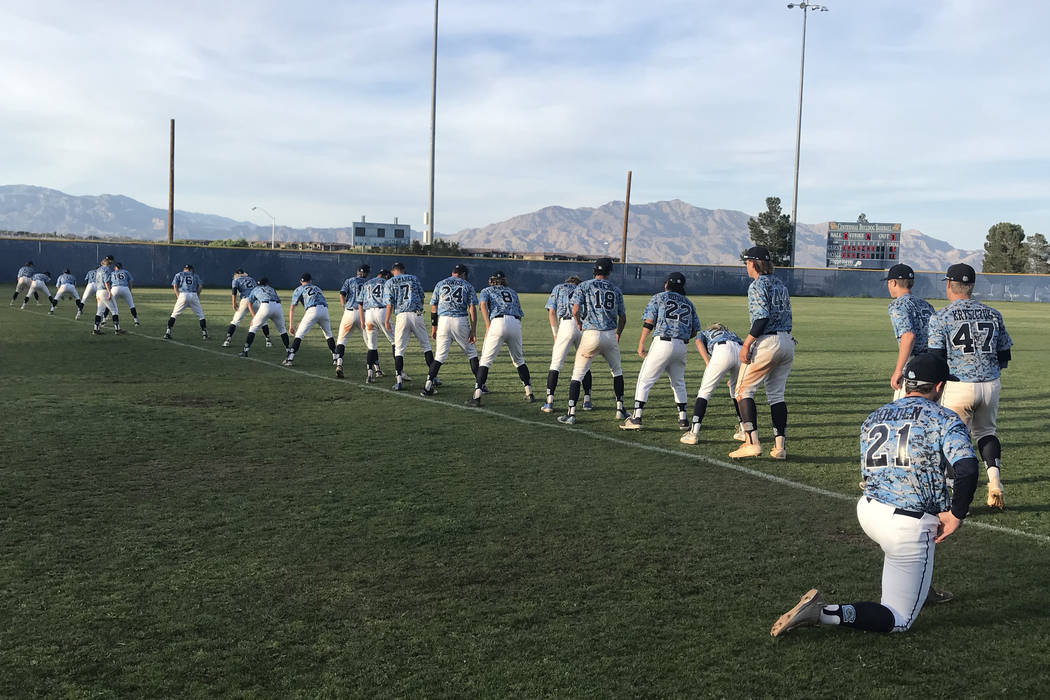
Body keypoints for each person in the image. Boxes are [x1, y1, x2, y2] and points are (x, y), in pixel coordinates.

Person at [770, 353, 978, 636]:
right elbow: (966, 469)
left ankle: (922, 587)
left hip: (868, 511)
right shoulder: (943, 417)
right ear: (939, 387)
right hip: (907, 526)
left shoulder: (876, 415)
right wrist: (957, 514)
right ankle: (823, 612)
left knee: (906, 550)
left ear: (905, 383)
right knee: (898, 620)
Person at [927, 263, 1013, 509]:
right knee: (986, 433)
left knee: (955, 440)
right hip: (991, 383)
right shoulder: (993, 313)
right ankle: (994, 481)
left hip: (958, 385)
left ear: (948, 285)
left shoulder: (941, 315)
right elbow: (1005, 355)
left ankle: (955, 498)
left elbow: (935, 358)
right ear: (972, 286)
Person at [730, 246, 794, 460]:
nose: (746, 266)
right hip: (787, 341)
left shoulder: (758, 285)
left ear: (755, 263)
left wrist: (747, 344)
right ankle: (780, 447)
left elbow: (761, 318)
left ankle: (751, 442)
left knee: (742, 391)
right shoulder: (780, 284)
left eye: (747, 262)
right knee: (776, 395)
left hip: (768, 342)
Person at [620, 272, 698, 430]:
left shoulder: (659, 297)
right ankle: (683, 420)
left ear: (667, 283)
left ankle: (637, 417)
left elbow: (649, 322)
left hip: (662, 343)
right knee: (678, 382)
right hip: (681, 346)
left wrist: (641, 342)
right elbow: (694, 331)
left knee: (645, 380)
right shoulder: (688, 303)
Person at [557, 258, 627, 425]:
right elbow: (623, 317)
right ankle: (620, 409)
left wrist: (580, 323)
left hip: (591, 333)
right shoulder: (615, 289)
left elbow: (575, 310)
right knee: (617, 371)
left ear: (594, 270)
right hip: (610, 334)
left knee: (577, 374)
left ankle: (571, 413)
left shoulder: (584, 286)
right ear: (609, 271)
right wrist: (617, 334)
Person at [467, 270, 535, 406]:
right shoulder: (512, 292)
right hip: (515, 323)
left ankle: (477, 396)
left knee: (485, 361)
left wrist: (487, 325)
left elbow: (483, 305)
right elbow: (519, 313)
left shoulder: (486, 290)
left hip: (497, 322)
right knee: (519, 360)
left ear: (491, 280)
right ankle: (529, 392)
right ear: (504, 280)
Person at [421, 264, 478, 397]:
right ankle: (480, 385)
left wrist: (434, 326)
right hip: (460, 320)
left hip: (443, 321)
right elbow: (472, 309)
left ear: (453, 273)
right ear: (463, 274)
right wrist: (473, 329)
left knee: (439, 356)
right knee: (471, 353)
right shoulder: (467, 285)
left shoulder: (441, 283)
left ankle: (427, 386)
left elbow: (433, 306)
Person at [541, 275, 593, 413]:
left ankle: (549, 401)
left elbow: (551, 311)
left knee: (556, 364)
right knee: (584, 364)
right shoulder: (583, 289)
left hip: (566, 324)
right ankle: (587, 400)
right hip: (581, 325)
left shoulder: (558, 288)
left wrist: (555, 333)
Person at [884, 263, 935, 399]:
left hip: (914, 367)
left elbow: (908, 336)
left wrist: (898, 370)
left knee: (904, 412)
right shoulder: (926, 304)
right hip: (932, 365)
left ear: (893, 282)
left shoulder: (898, 304)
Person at [383, 262, 434, 390]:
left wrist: (386, 320)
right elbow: (422, 297)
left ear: (393, 271)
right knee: (426, 346)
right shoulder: (413, 278)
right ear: (403, 270)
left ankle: (399, 381)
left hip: (402, 316)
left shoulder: (389, 282)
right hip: (417, 314)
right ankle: (434, 378)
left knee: (399, 349)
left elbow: (389, 304)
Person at [284, 273, 338, 371]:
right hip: (324, 310)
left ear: (301, 281)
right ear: (311, 281)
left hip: (312, 310)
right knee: (328, 334)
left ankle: (290, 358)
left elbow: (292, 308)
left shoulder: (299, 289)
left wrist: (291, 325)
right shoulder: (317, 288)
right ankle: (335, 358)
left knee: (299, 334)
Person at [334, 264, 371, 376]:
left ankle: (339, 364)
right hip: (363, 313)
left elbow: (342, 294)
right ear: (366, 273)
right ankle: (376, 369)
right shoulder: (368, 283)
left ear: (357, 271)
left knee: (341, 341)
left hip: (349, 312)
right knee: (370, 343)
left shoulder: (349, 280)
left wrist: (344, 306)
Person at [238, 278, 290, 357]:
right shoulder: (271, 288)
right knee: (282, 330)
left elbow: (249, 303)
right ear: (266, 283)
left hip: (265, 306)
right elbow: (279, 300)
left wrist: (254, 317)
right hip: (277, 306)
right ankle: (288, 351)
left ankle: (245, 351)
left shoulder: (255, 289)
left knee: (253, 328)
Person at [360, 269, 393, 382]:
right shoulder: (387, 282)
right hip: (382, 312)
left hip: (368, 313)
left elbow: (360, 302)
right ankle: (400, 372)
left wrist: (362, 319)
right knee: (395, 341)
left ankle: (370, 374)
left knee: (371, 346)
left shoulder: (367, 283)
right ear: (386, 276)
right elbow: (391, 300)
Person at [224, 269, 271, 348]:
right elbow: (258, 290)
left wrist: (233, 303)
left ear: (237, 274)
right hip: (256, 300)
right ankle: (268, 341)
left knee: (235, 321)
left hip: (245, 300)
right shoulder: (251, 279)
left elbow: (234, 291)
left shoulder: (236, 280)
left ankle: (227, 340)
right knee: (263, 321)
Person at [164, 263, 208, 340]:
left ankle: (167, 332)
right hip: (193, 294)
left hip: (183, 294)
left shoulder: (179, 274)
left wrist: (178, 295)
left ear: (184, 269)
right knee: (201, 316)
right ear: (191, 269)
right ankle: (204, 334)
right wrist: (197, 295)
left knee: (174, 314)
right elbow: (200, 286)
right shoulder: (195, 275)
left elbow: (175, 285)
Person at [90, 257, 121, 335]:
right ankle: (117, 329)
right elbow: (106, 282)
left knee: (99, 311)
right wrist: (109, 292)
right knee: (114, 310)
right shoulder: (107, 269)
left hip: (98, 291)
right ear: (108, 264)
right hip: (104, 291)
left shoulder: (98, 270)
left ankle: (95, 329)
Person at [108, 262, 140, 326]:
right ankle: (136, 321)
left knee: (109, 304)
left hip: (115, 289)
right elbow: (130, 281)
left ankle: (103, 320)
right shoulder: (126, 272)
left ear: (115, 267)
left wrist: (109, 291)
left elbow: (108, 282)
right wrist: (129, 290)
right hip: (125, 288)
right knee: (131, 305)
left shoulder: (112, 273)